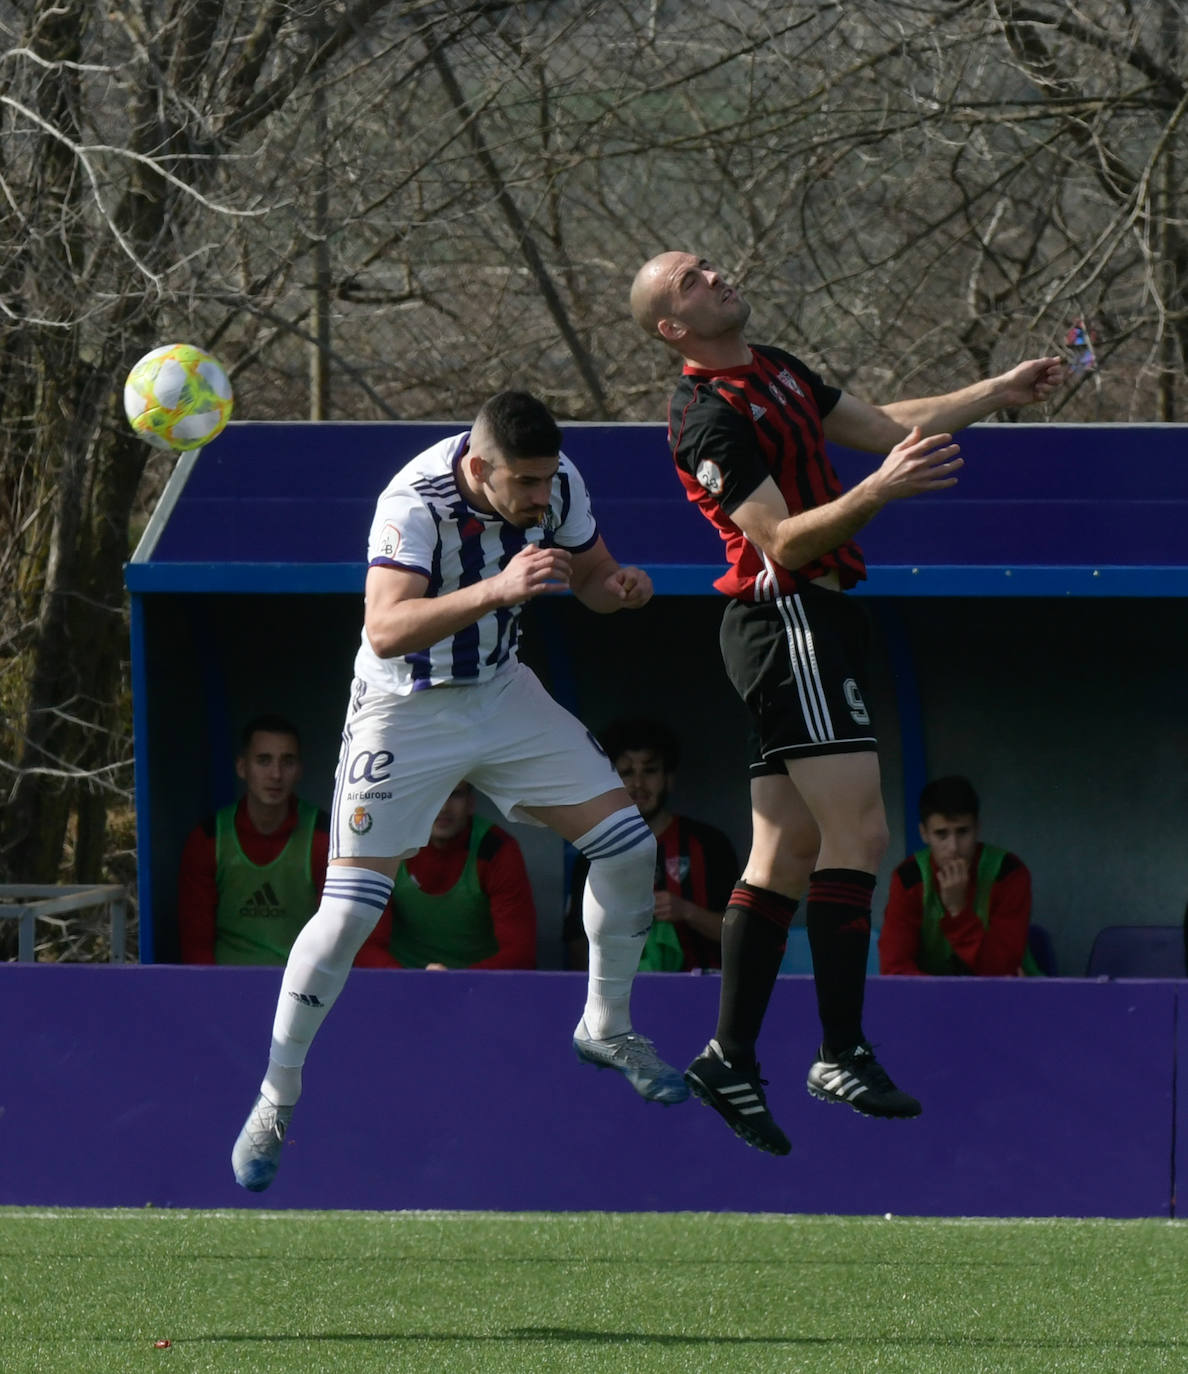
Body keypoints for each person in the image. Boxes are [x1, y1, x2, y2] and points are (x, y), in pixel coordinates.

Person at [629, 250, 1064, 1155]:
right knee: (861, 837)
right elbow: (782, 540)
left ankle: (728, 1057)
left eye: (709, 266)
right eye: (690, 282)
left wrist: (1000, 391)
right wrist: (877, 491)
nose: (714, 277)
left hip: (809, 618)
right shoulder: (702, 414)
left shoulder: (777, 368)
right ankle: (839, 1050)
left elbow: (886, 424)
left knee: (783, 852)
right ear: (672, 329)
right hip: (789, 617)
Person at [232, 389, 689, 1193]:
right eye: (526, 486)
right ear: (480, 469)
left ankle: (607, 1025)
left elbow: (587, 572)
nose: (542, 498)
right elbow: (385, 628)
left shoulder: (560, 480)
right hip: (405, 708)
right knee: (346, 913)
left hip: (501, 693)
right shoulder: (413, 503)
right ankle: (277, 1093)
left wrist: (616, 588)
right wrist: (496, 592)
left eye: (549, 482)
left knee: (628, 847)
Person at [563, 717, 738, 972]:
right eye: (626, 772)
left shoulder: (709, 844)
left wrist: (687, 911)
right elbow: (576, 945)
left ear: (669, 778)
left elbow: (742, 934)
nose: (637, 784)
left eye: (650, 770)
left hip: (704, 996)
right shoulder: (593, 854)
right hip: (621, 999)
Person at [177, 714, 330, 965]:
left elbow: (333, 937)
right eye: (263, 761)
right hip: (227, 988)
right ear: (241, 767)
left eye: (287, 762)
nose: (276, 774)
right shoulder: (209, 839)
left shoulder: (322, 836)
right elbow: (196, 946)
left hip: (301, 988)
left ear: (299, 770)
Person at [361, 781, 538, 970]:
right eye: (433, 792)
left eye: (455, 794)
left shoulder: (496, 850)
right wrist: (411, 984)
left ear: (471, 802)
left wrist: (455, 983)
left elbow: (520, 953)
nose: (444, 807)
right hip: (399, 986)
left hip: (478, 990)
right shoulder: (389, 846)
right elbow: (364, 946)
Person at [879, 776, 1041, 977]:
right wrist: (948, 999)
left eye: (963, 832)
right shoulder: (909, 879)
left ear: (977, 828)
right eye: (941, 834)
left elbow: (1001, 970)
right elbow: (894, 968)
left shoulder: (1007, 874)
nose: (953, 848)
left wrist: (958, 910)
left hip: (1001, 997)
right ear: (924, 833)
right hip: (932, 1002)